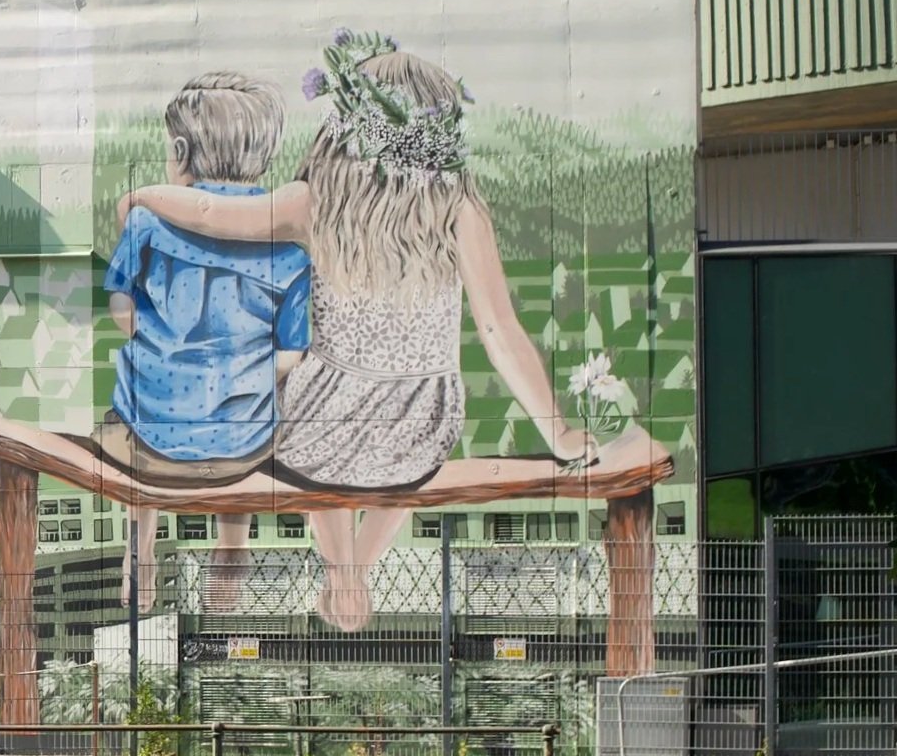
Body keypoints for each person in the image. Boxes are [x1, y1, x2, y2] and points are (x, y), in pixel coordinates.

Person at [119, 35, 599, 631]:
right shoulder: (460, 209)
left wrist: (144, 197)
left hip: (322, 422)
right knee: (403, 466)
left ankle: (340, 564)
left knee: (311, 422)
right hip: (421, 420)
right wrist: (558, 430)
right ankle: (356, 569)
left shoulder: (314, 200)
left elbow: (214, 214)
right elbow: (500, 330)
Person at [102, 72, 310, 612]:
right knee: (251, 409)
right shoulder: (290, 251)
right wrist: (242, 374)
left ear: (179, 152)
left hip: (152, 440)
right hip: (242, 446)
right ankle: (232, 548)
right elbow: (292, 353)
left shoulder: (146, 226)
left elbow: (120, 304)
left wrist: (155, 341)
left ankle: (140, 550)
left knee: (132, 410)